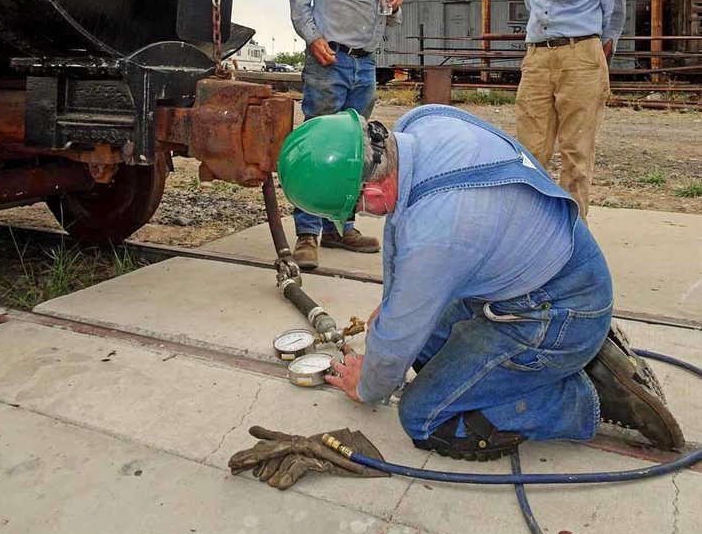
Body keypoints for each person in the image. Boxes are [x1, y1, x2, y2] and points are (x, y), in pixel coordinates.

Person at [276, 104, 684, 460]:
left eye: (358, 207)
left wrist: (368, 385)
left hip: (555, 312)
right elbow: (402, 235)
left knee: (424, 416)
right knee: (422, 351)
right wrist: (395, 307)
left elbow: (400, 324)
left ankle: (581, 397)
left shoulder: (437, 231)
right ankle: (577, 353)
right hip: (557, 275)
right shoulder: (423, 124)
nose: (363, 214)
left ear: (373, 187)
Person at [288, 0, 412, 270]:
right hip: (330, 61)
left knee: (357, 150)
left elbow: (389, 22)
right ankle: (308, 233)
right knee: (316, 144)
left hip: (364, 66)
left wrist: (395, 5)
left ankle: (340, 227)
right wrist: (313, 38)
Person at [516, 0, 626, 222]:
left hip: (583, 56)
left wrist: (595, 52)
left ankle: (574, 230)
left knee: (576, 149)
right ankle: (532, 225)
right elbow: (532, 3)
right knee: (528, 148)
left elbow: (616, 7)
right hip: (538, 57)